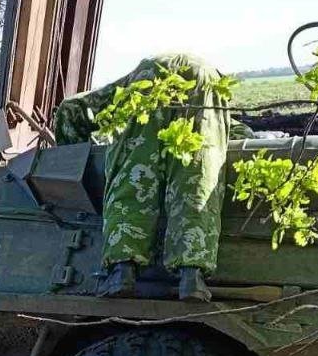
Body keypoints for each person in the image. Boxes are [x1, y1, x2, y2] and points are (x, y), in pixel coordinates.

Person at [51, 53, 231, 302]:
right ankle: (192, 278)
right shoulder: (215, 87)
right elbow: (233, 131)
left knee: (133, 172)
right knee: (196, 176)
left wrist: (78, 159)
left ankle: (122, 272)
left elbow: (71, 109)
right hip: (207, 80)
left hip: (147, 79)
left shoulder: (129, 82)